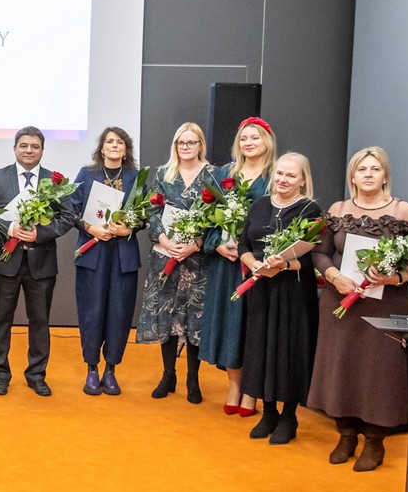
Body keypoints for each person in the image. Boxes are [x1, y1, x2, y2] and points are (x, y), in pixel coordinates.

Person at [310, 147, 408, 470]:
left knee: (378, 373)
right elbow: (319, 253)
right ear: (353, 175)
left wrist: (395, 276)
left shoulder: (403, 210)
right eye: (362, 169)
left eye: (375, 169)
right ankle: (346, 434)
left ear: (385, 175)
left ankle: (374, 442)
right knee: (341, 368)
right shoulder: (339, 208)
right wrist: (333, 277)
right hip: (340, 304)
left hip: (385, 305)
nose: (368, 174)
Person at [238, 152, 323, 445]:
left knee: (289, 348)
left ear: (302, 180)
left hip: (294, 291)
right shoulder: (259, 205)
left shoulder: (310, 210)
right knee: (261, 346)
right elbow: (243, 244)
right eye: (279, 174)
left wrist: (283, 264)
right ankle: (268, 412)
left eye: (291, 175)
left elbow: (312, 258)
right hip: (261, 287)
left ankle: (289, 416)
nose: (283, 180)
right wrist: (253, 265)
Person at [0, 126, 75, 397]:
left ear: (42, 150)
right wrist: (9, 229)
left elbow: (68, 217)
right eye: (23, 145)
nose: (29, 150)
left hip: (41, 262)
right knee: (1, 321)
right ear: (14, 148)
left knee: (40, 321)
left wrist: (40, 233)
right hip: (4, 261)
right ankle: (0, 374)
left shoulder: (55, 181)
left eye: (35, 146)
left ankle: (36, 375)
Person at [199, 117, 277, 415]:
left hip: (259, 267)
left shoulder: (275, 176)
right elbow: (206, 216)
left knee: (253, 327)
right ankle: (234, 386)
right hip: (227, 264)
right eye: (244, 138)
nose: (249, 143)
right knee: (231, 325)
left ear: (267, 141)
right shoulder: (224, 174)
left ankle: (252, 392)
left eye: (255, 137)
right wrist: (217, 242)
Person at [136, 122, 214, 403]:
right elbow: (152, 211)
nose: (186, 147)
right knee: (166, 315)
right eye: (181, 142)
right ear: (175, 145)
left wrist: (195, 244)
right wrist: (165, 240)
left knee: (194, 319)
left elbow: (218, 217)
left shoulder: (213, 176)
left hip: (198, 261)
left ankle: (194, 380)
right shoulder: (162, 174)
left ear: (200, 145)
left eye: (191, 142)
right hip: (165, 256)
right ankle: (168, 375)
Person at [70, 127, 143, 396]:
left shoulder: (137, 177)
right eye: (109, 141)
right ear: (101, 148)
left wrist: (131, 228)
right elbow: (71, 210)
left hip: (123, 256)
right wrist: (90, 228)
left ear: (126, 149)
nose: (114, 145)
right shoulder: (87, 174)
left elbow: (146, 214)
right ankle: (91, 368)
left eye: (119, 142)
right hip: (93, 253)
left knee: (119, 313)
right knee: (92, 312)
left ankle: (111, 369)